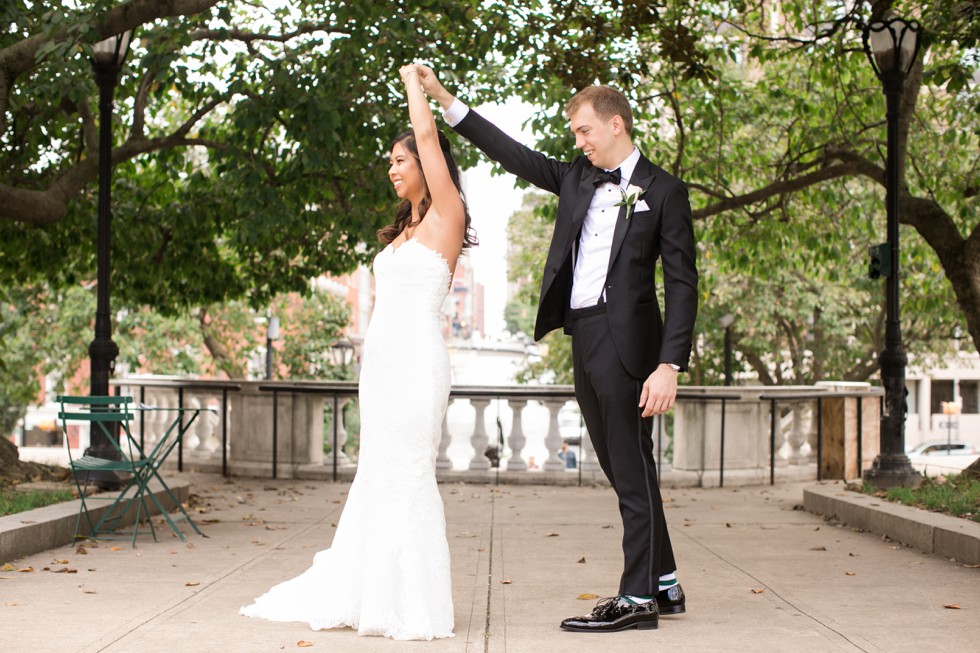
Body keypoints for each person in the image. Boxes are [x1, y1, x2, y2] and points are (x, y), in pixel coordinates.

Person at [417, 66, 697, 633]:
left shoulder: (664, 191)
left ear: (615, 124)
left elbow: (683, 283)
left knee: (629, 464)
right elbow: (512, 153)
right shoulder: (576, 178)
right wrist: (446, 100)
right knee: (627, 470)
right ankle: (664, 583)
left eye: (584, 131)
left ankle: (638, 599)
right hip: (584, 336)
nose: (578, 141)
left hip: (633, 347)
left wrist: (669, 364)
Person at [240, 63, 476, 641]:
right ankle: (375, 595)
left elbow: (427, 134)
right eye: (391, 162)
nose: (392, 168)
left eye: (400, 160)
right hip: (383, 367)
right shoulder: (402, 230)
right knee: (376, 472)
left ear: (429, 166)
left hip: (420, 363)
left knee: (410, 473)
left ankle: (416, 604)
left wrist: (414, 83)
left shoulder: (448, 215)